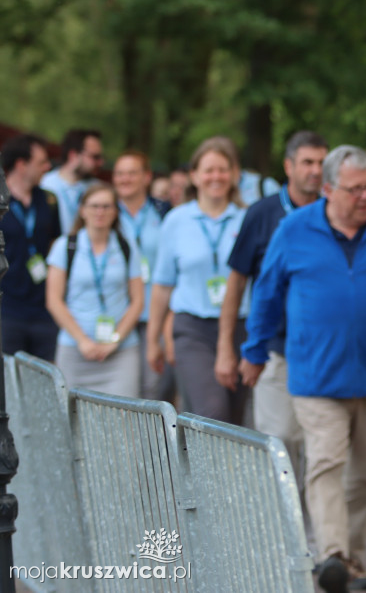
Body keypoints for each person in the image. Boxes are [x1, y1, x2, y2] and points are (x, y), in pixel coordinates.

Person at [239, 145, 366, 592]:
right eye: (355, 189)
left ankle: (351, 557)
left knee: (364, 474)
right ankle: (332, 556)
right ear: (327, 189)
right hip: (314, 376)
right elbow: (265, 295)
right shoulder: (294, 229)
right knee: (326, 461)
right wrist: (254, 350)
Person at [214, 130, 328, 500]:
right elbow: (236, 283)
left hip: (324, 352)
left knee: (319, 446)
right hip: (275, 350)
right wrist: (228, 349)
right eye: (307, 163)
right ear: (288, 166)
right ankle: (278, 537)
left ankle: (318, 542)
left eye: (321, 163)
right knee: (277, 443)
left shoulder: (335, 210)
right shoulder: (263, 214)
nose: (315, 171)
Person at [147, 137, 248, 424]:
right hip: (193, 329)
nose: (216, 177)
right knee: (213, 412)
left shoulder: (247, 219)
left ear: (235, 174)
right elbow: (163, 284)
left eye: (222, 169)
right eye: (208, 170)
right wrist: (154, 338)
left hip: (241, 327)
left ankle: (221, 470)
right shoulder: (177, 220)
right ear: (194, 176)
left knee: (236, 419)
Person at [45, 182, 144, 397]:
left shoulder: (127, 246)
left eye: (107, 206)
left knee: (123, 418)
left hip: (121, 352)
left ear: (116, 211)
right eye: (94, 206)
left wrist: (115, 340)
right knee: (73, 420)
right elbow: (54, 300)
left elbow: (137, 301)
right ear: (82, 210)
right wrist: (83, 341)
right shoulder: (65, 246)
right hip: (74, 349)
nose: (100, 212)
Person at [114, 151, 174, 402]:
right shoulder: (104, 211)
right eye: (119, 173)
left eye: (132, 172)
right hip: (118, 312)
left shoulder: (164, 213)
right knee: (123, 390)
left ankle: (152, 441)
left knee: (154, 387)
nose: (125, 179)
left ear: (147, 177)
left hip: (156, 312)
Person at [1, 134, 62, 360]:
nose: (48, 167)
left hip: (44, 308)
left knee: (43, 379)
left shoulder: (49, 201)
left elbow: (57, 244)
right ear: (21, 164)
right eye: (41, 162)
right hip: (7, 310)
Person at [41, 129, 105, 232]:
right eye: (95, 157)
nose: (100, 162)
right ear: (73, 155)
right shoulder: (45, 184)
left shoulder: (99, 189)